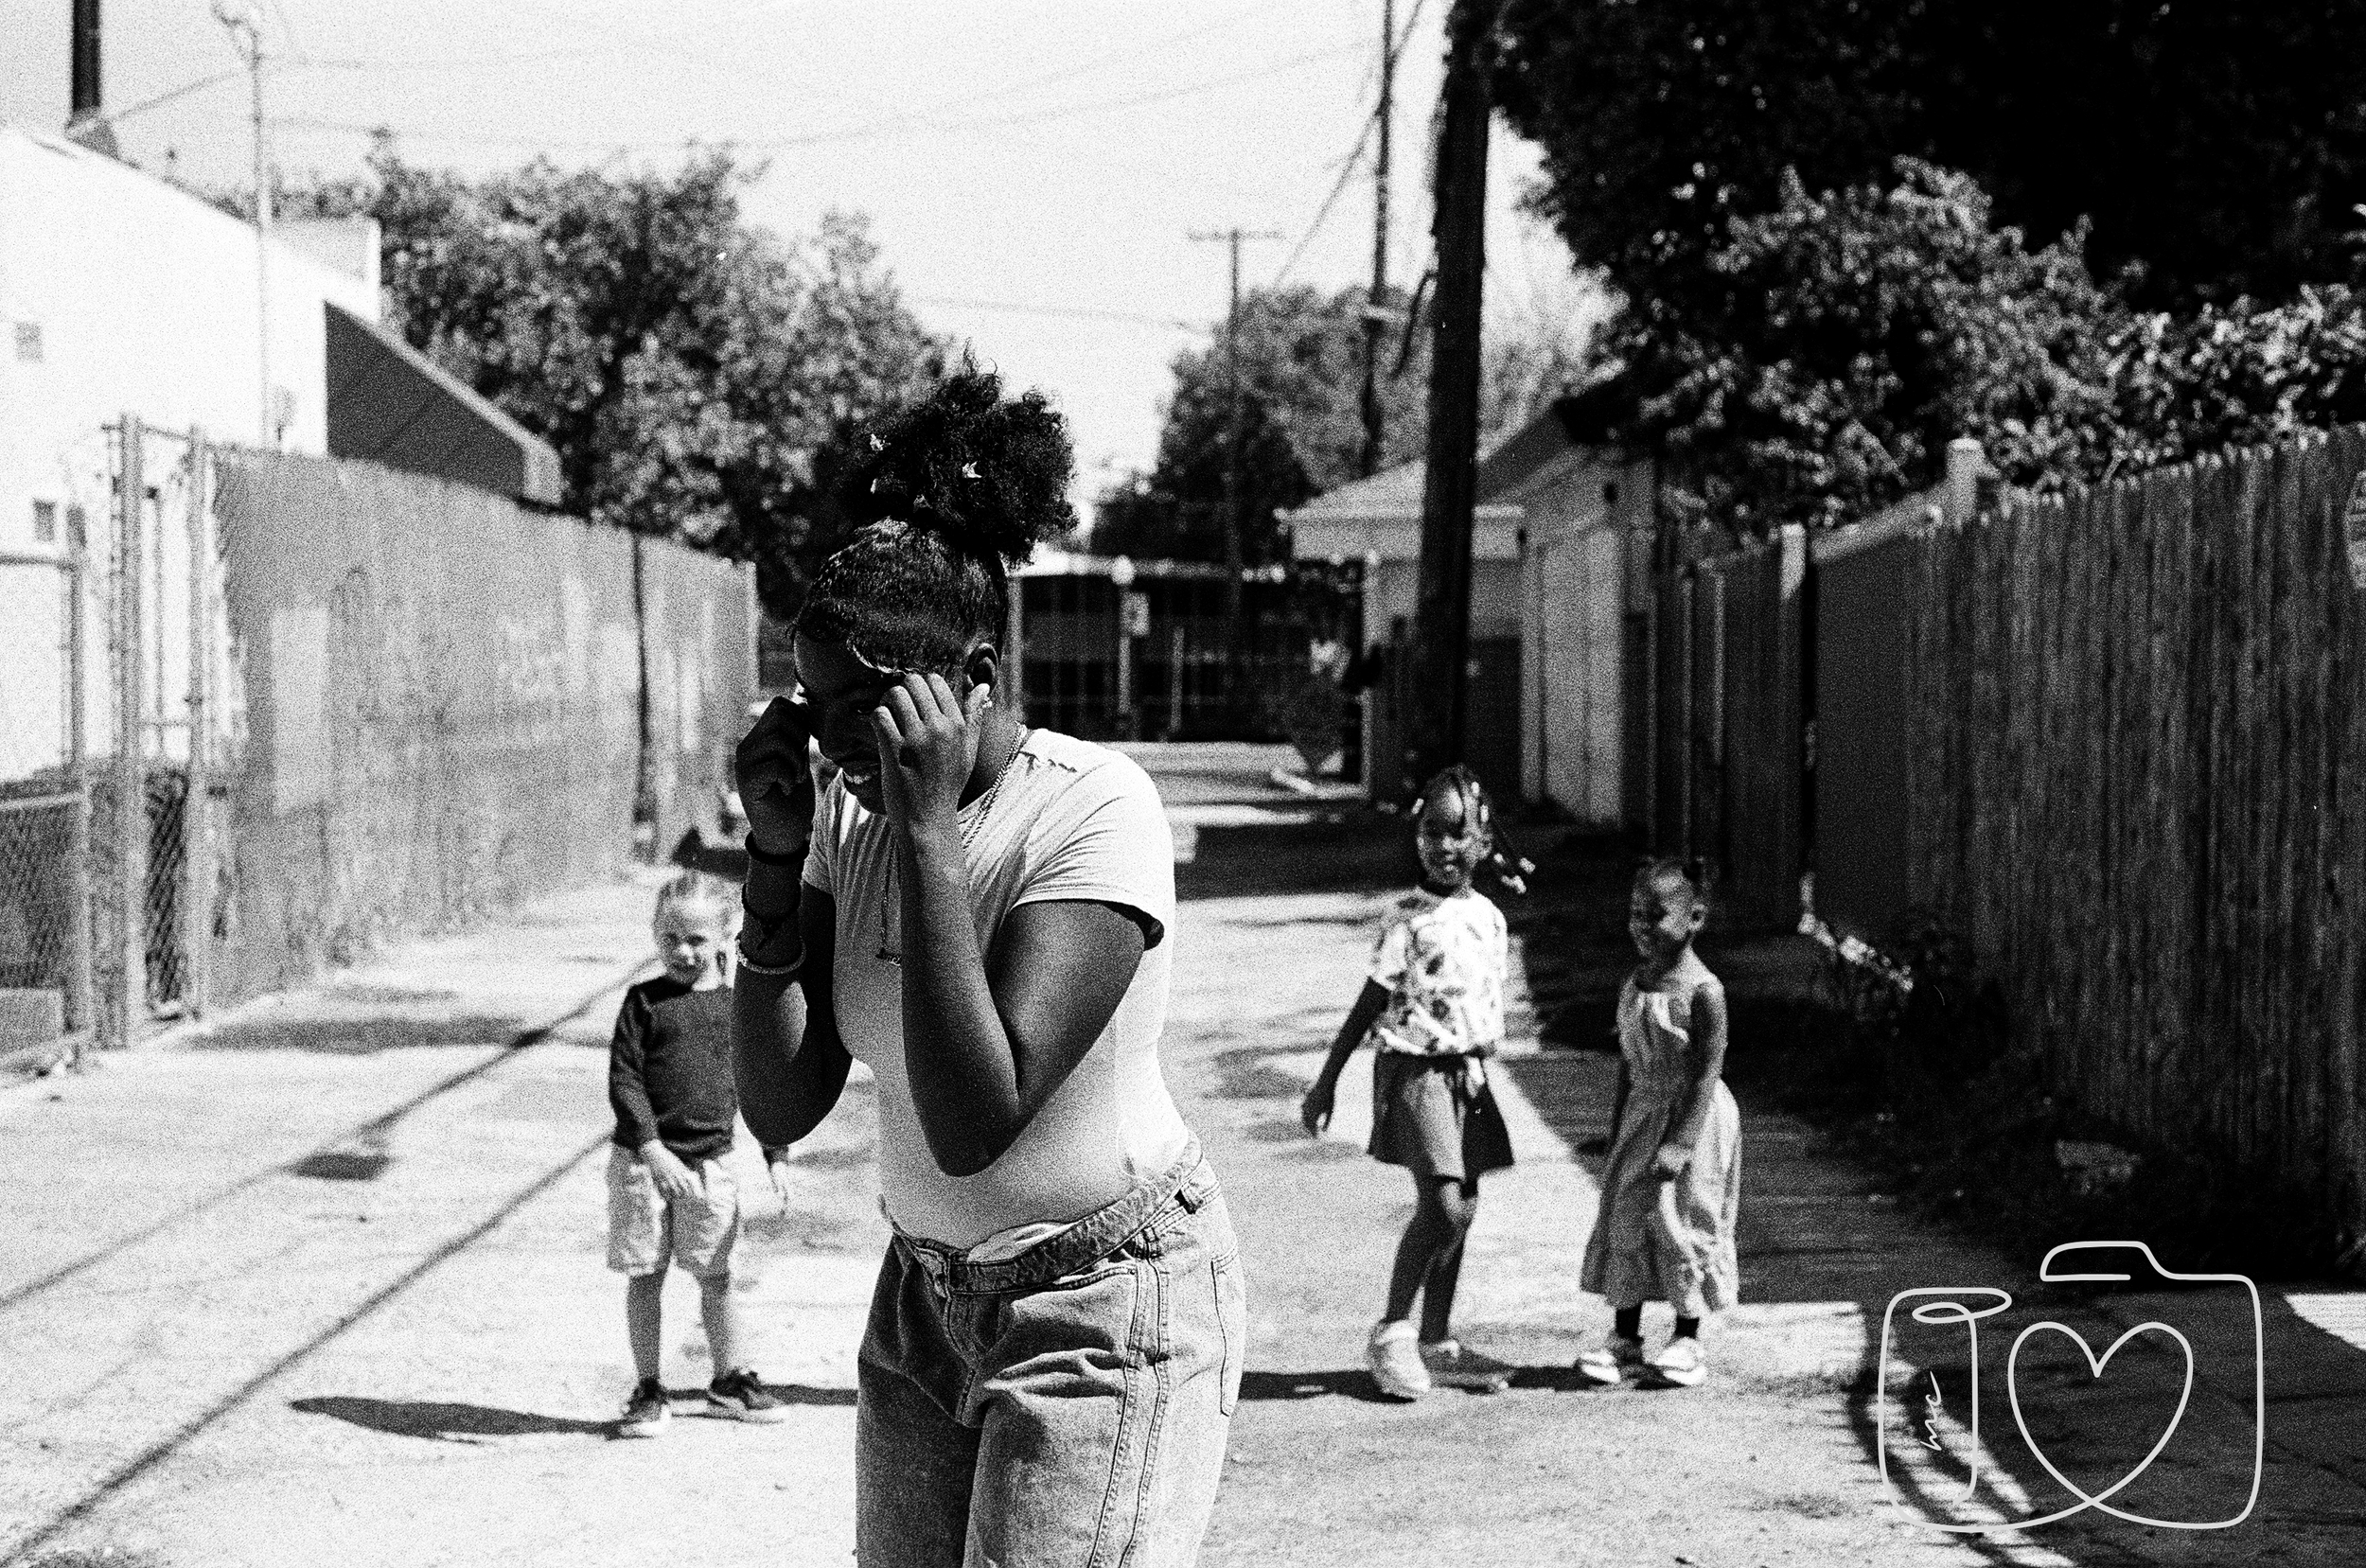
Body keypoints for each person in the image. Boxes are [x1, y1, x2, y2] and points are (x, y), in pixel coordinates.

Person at [729, 367, 1244, 1565]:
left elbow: (975, 1118)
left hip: (1102, 1305)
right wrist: (773, 850)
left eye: (868, 705)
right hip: (922, 1303)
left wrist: (925, 836)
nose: (838, 741)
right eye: (818, 704)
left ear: (970, 677)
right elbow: (779, 1102)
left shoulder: (1094, 811)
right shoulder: (845, 817)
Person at [1300, 766, 1516, 1401]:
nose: (1443, 846)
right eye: (1431, 832)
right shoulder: (1407, 920)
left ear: (1482, 841)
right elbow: (1368, 1004)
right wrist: (1327, 1081)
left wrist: (1481, 1055)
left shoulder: (1490, 918)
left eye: (1458, 833)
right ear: (1416, 836)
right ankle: (1392, 1330)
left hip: (1464, 1073)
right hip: (1413, 1070)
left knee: (1465, 1209)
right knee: (1441, 1205)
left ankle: (1436, 1338)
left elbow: (1483, 998)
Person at [607, 871, 793, 1436]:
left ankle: (727, 1379)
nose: (683, 952)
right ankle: (648, 1388)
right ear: (656, 937)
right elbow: (625, 1080)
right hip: (644, 1167)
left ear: (724, 937)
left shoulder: (739, 1009)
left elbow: (757, 1083)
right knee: (647, 1274)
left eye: (695, 939)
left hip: (712, 1165)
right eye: (670, 939)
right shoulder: (644, 1003)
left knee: (717, 1273)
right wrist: (652, 1149)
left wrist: (775, 1152)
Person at [1573, 859, 1742, 1389]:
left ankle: (1687, 1337)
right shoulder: (1634, 983)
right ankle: (1624, 1337)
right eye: (1635, 915)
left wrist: (1682, 1143)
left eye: (1656, 916)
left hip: (1694, 1120)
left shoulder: (1705, 992)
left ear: (1694, 918)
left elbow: (1706, 1073)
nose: (1642, 927)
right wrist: (1617, 1125)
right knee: (1628, 1216)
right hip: (1642, 1116)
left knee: (1685, 1220)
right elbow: (1627, 1062)